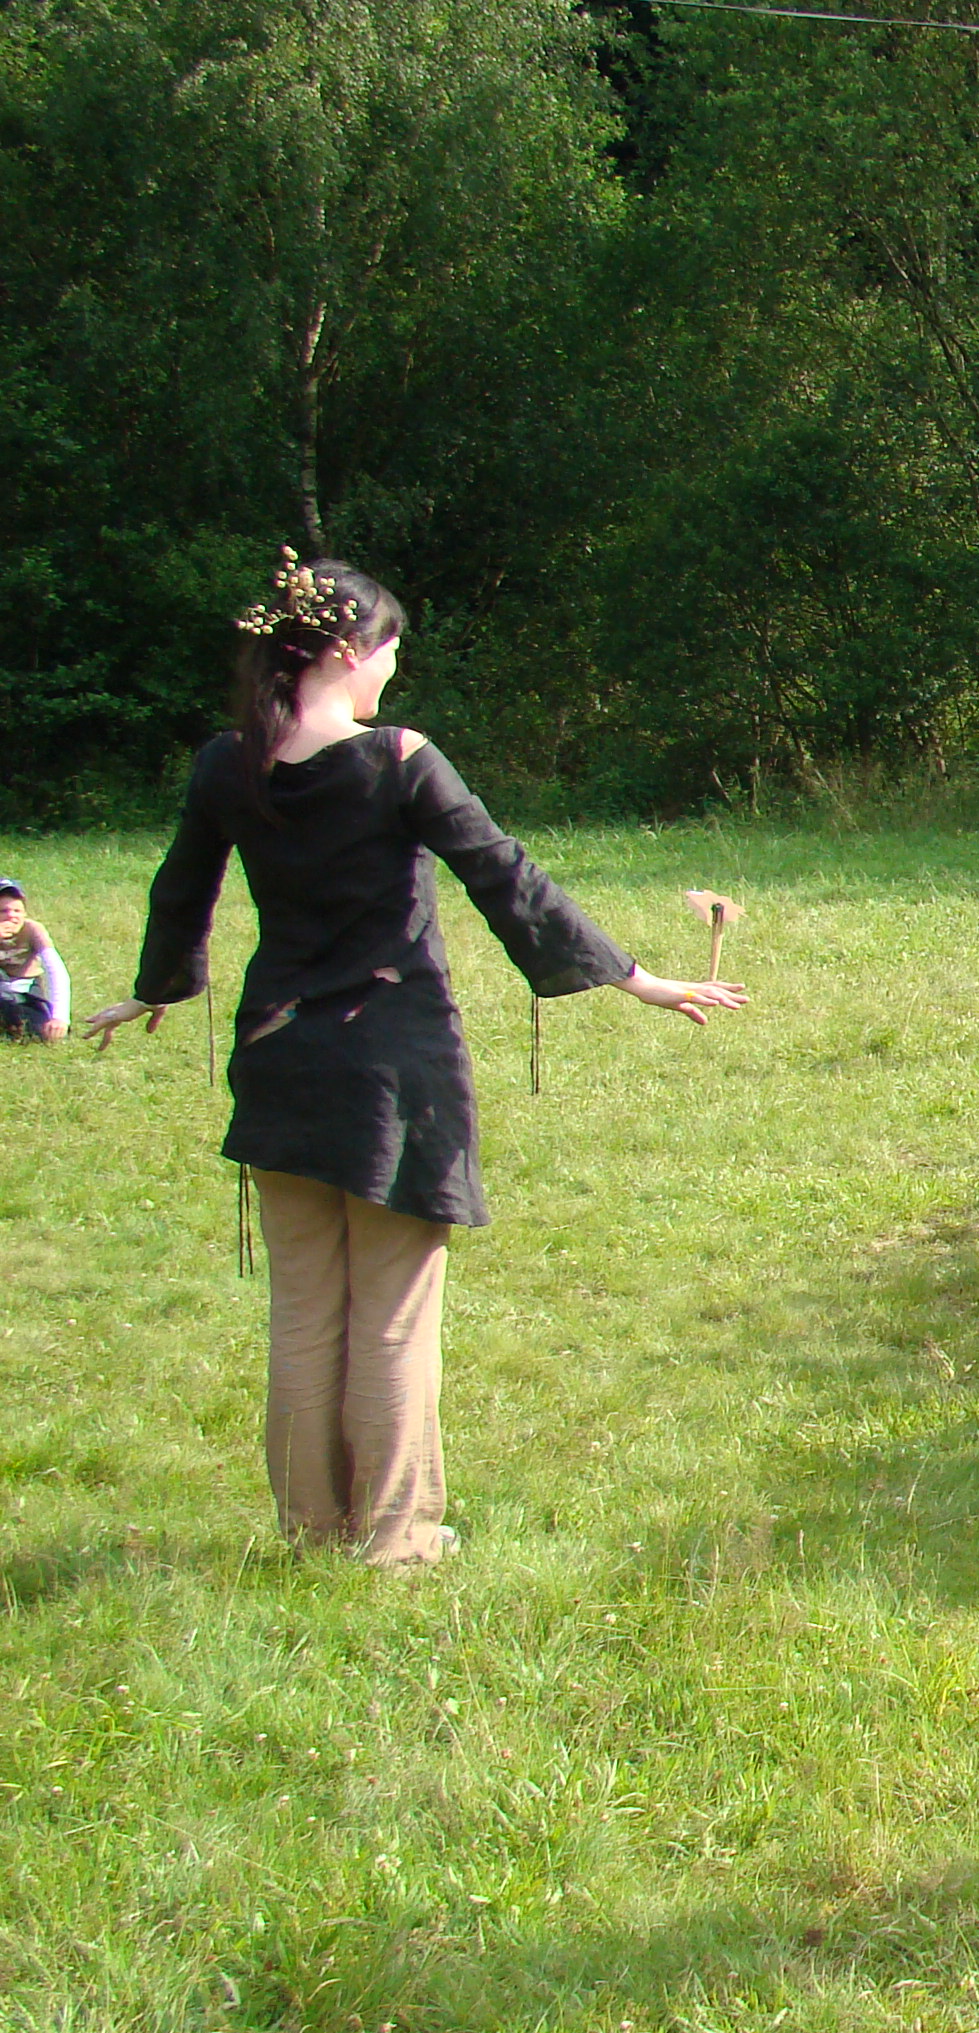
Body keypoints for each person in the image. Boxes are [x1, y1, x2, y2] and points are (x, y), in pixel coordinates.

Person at [82, 551, 746, 1568]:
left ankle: (314, 1537)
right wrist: (639, 979)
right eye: (390, 651)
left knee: (305, 1317)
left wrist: (156, 988)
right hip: (391, 1071)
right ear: (349, 651)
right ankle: (395, 1543)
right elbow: (504, 874)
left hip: (277, 1060)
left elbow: (182, 890)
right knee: (390, 1320)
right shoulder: (397, 758)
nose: (393, 671)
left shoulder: (228, 762)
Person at [0, 879, 69, 1042]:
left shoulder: (32, 929)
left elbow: (55, 969)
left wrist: (60, 1017)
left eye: (17, 911)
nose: (12, 916)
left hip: (26, 992)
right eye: (3, 911)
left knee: (39, 1032)